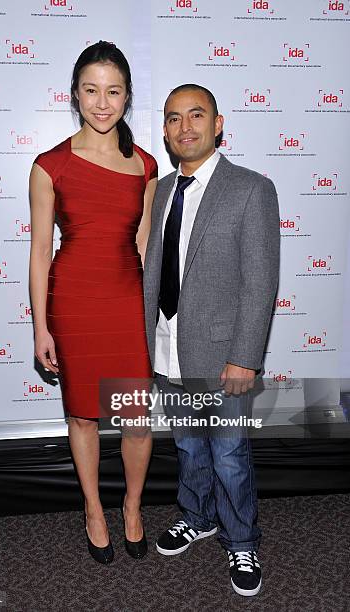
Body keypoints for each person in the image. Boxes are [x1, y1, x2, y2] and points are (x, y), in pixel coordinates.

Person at [143, 84, 280, 596]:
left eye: (196, 116)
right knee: (188, 447)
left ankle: (242, 539)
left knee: (228, 455)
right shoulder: (158, 192)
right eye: (174, 118)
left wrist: (245, 357)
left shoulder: (250, 188)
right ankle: (197, 516)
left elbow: (261, 280)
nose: (185, 127)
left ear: (218, 124)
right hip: (168, 346)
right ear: (165, 130)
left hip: (225, 357)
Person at [29, 41, 157, 564]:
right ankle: (93, 509)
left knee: (136, 420)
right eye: (91, 91)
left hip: (127, 303)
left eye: (113, 91)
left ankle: (131, 507)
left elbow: (146, 248)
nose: (101, 103)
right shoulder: (49, 165)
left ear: (127, 97)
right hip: (74, 301)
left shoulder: (146, 165)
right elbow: (40, 251)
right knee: (82, 417)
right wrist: (41, 328)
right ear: (75, 95)